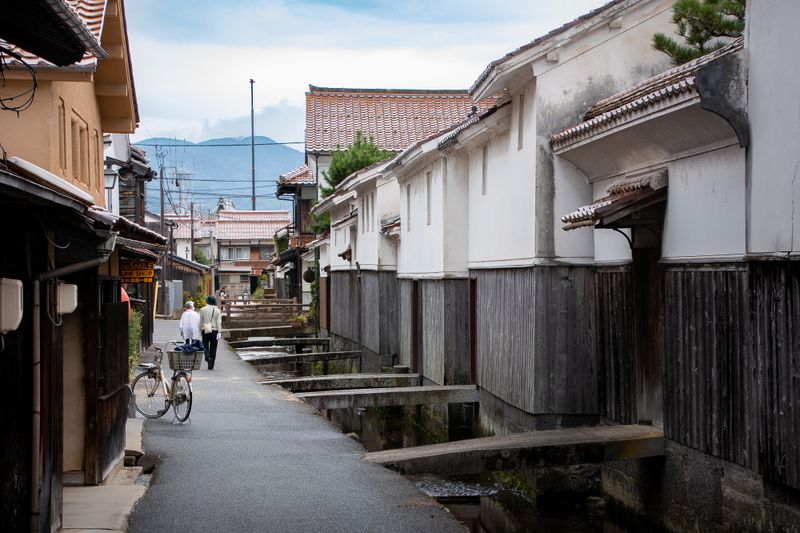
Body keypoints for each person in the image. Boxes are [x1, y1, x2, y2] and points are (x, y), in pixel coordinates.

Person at [198, 295, 222, 369]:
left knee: (205, 346)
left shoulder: (202, 309)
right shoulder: (218, 310)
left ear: (207, 301)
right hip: (214, 331)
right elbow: (219, 322)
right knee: (213, 347)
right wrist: (219, 332)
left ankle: (208, 357)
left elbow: (200, 321)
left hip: (205, 330)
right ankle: (212, 364)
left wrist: (200, 330)